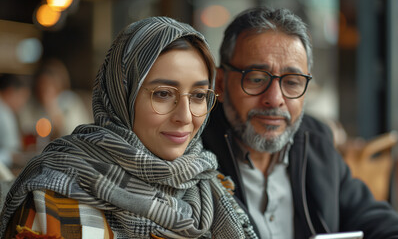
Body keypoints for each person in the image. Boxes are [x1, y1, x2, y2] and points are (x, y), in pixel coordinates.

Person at [0, 17, 257, 239]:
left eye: (199, 95)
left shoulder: (211, 191)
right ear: (121, 95)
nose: (185, 116)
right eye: (163, 94)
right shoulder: (53, 202)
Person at [201, 7, 398, 239]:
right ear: (221, 83)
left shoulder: (314, 140)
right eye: (257, 79)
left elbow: (373, 218)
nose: (275, 99)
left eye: (292, 82)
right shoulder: (194, 156)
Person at [19, 58, 92, 143]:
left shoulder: (69, 102)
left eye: (48, 87)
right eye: (41, 87)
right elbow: (26, 129)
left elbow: (75, 132)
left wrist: (53, 110)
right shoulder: (31, 104)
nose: (44, 92)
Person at [0, 74, 31, 168]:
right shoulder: (5, 112)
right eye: (22, 97)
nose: (23, 104)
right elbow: (12, 152)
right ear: (10, 92)